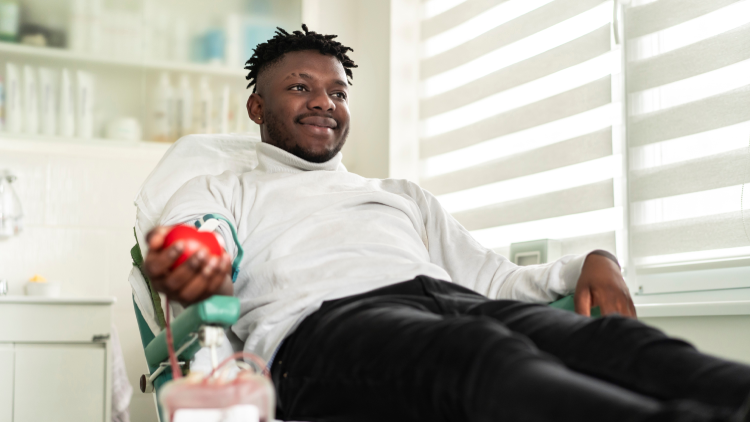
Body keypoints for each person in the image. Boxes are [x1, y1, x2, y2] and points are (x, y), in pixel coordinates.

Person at [142, 25, 750, 422]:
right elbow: (200, 239)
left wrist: (593, 261)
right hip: (325, 328)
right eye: (300, 88)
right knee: (474, 355)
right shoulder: (224, 186)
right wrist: (200, 259)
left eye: (337, 90)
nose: (324, 102)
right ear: (257, 107)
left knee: (615, 345)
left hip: (452, 302)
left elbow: (494, 276)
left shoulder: (399, 195)